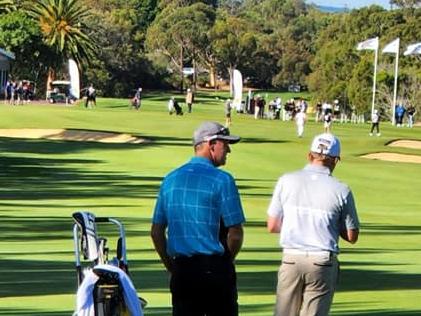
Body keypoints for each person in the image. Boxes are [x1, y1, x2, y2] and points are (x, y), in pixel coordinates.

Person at [151, 121, 246, 316]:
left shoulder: (170, 179)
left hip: (182, 270)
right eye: (225, 144)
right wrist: (227, 262)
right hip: (215, 269)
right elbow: (235, 233)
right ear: (211, 145)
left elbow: (156, 231)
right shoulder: (222, 180)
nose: (228, 150)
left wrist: (171, 266)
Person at [267, 133, 360, 316]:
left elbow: (272, 225)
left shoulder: (286, 180)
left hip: (291, 258)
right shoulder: (341, 189)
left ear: (309, 155)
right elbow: (351, 236)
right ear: (336, 161)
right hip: (322, 262)